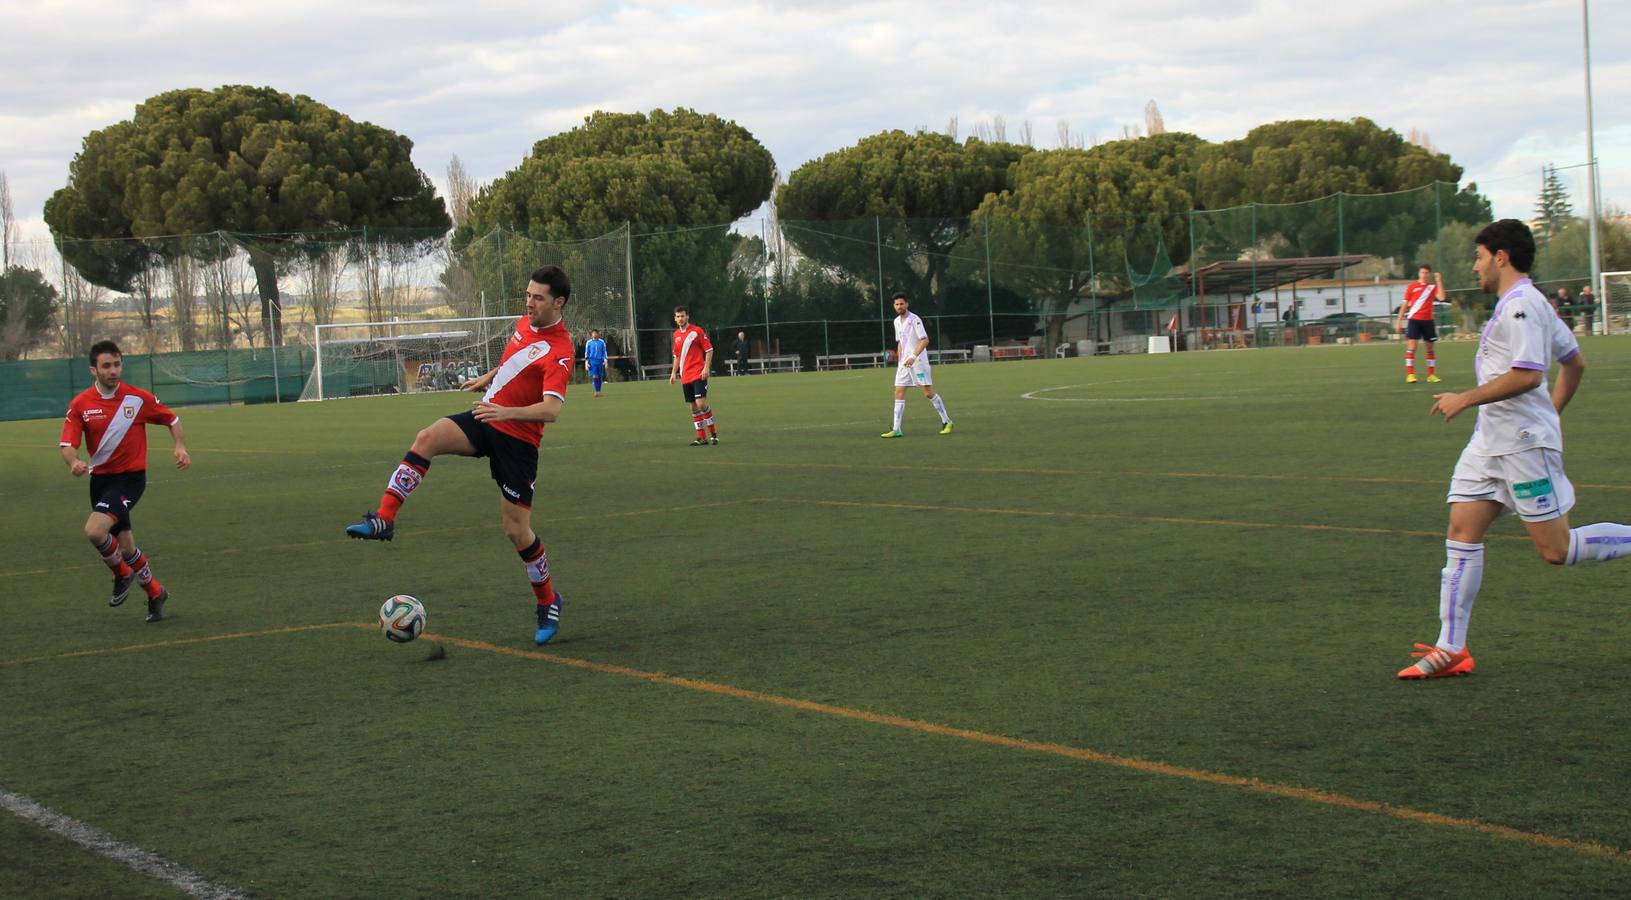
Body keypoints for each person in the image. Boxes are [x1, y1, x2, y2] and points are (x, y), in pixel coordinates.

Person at [1399, 220, 1631, 679]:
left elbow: (1529, 374)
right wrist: (1552, 412)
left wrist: (1466, 399)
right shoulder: (1528, 303)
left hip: (1523, 447)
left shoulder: (1522, 306)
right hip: (1490, 443)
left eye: (1480, 256)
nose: (1476, 265)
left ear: (1500, 257)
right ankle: (1451, 648)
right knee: (1462, 530)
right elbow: (1575, 362)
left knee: (1557, 550)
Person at [345, 266, 576, 646]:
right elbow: (517, 360)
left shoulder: (561, 352)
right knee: (427, 437)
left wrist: (506, 412)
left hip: (517, 441)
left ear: (559, 302)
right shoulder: (525, 323)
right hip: (486, 417)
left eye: (538, 297)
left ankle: (548, 600)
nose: (529, 302)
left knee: (516, 531)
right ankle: (384, 519)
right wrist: (488, 379)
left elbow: (551, 409)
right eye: (528, 294)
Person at [59, 340, 191, 623]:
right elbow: (67, 443)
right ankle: (156, 592)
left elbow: (173, 419)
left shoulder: (137, 398)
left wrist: (180, 445)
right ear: (93, 369)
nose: (113, 371)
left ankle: (121, 574)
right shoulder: (81, 404)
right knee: (127, 547)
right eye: (106, 366)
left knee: (95, 531)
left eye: (117, 364)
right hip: (101, 482)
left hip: (130, 480)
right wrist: (74, 462)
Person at [880, 292, 953, 438]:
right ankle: (896, 429)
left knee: (927, 392)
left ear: (907, 304)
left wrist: (913, 356)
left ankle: (947, 421)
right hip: (904, 363)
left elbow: (924, 340)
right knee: (899, 392)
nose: (899, 306)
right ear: (894, 306)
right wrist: (900, 359)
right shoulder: (896, 322)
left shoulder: (914, 320)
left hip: (918, 361)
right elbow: (900, 341)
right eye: (896, 304)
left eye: (901, 303)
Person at [668, 307, 718, 446]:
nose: (680, 319)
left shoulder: (697, 331)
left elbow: (709, 350)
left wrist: (706, 367)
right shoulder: (676, 335)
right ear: (675, 318)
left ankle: (713, 434)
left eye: (682, 316)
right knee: (693, 407)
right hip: (685, 376)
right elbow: (677, 356)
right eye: (677, 316)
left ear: (687, 316)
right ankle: (701, 437)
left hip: (698, 373)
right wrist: (673, 372)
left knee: (701, 403)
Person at [1394, 264, 1446, 383]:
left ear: (1429, 274)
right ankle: (1410, 375)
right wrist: (1399, 321)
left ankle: (1431, 375)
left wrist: (1439, 281)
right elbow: (1404, 305)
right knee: (1412, 347)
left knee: (1430, 348)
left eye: (1426, 273)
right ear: (1419, 273)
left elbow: (1442, 297)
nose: (1424, 275)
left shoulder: (1432, 287)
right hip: (1414, 320)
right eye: (1422, 272)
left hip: (1428, 321)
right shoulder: (1412, 287)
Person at [584, 328, 608, 398]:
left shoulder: (602, 342)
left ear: (598, 334)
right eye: (593, 333)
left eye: (596, 333)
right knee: (595, 376)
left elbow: (604, 351)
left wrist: (605, 360)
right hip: (592, 361)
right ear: (591, 335)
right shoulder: (589, 342)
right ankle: (596, 391)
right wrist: (586, 361)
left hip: (600, 360)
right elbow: (587, 352)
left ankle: (599, 391)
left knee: (600, 376)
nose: (594, 334)